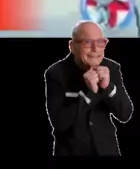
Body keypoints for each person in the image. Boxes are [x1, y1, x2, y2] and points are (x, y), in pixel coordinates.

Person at [45, 20, 133, 156]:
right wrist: (88, 93)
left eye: (100, 42)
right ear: (72, 46)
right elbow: (60, 123)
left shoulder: (111, 68)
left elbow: (125, 114)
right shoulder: (56, 74)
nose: (95, 49)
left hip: (107, 151)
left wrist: (108, 87)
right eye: (87, 42)